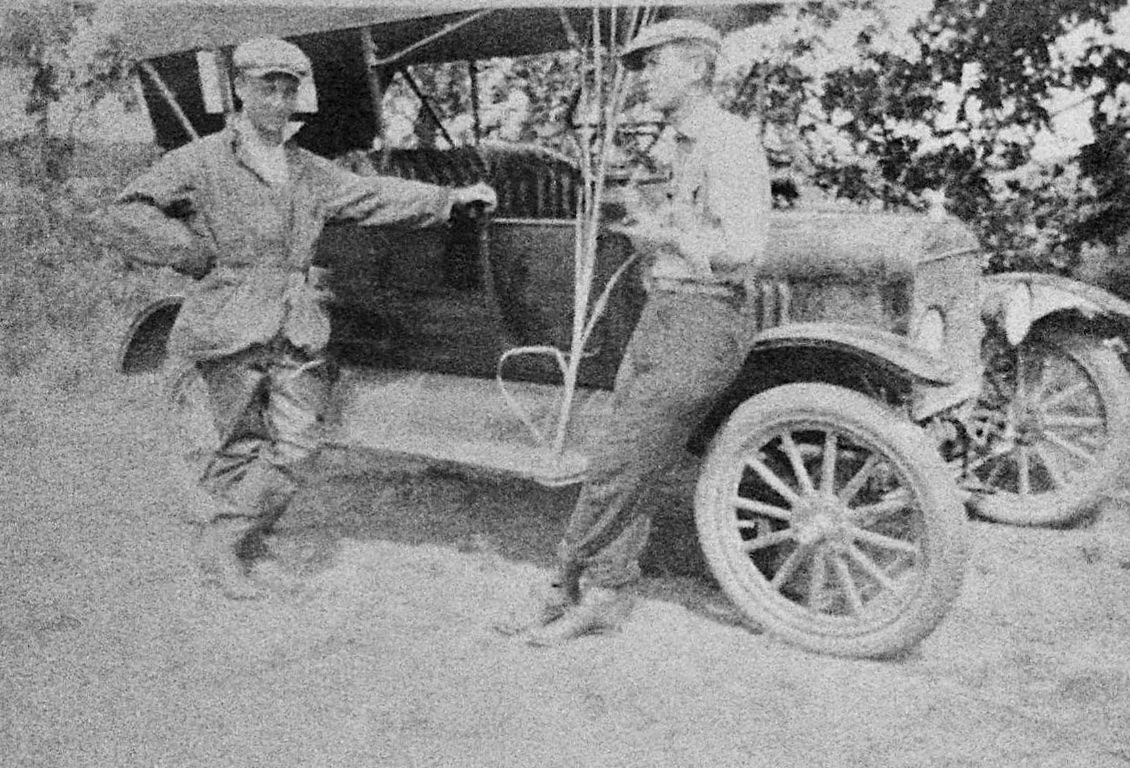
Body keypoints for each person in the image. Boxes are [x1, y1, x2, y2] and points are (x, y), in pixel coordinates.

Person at [108, 36, 497, 599]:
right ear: (241, 90)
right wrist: (191, 254)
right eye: (267, 87)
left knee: (296, 442)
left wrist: (449, 200)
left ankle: (224, 540)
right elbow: (127, 213)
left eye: (289, 90)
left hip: (296, 323)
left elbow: (371, 195)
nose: (279, 100)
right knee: (236, 444)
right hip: (227, 321)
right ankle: (238, 546)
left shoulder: (307, 169)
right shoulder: (200, 161)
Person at [502, 19, 772, 644]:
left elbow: (743, 248)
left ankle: (559, 584)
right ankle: (606, 592)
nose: (644, 79)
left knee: (618, 466)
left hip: (704, 319)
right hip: (670, 311)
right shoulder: (686, 142)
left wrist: (663, 235)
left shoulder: (728, 141)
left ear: (697, 69)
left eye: (654, 64)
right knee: (626, 457)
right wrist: (655, 221)